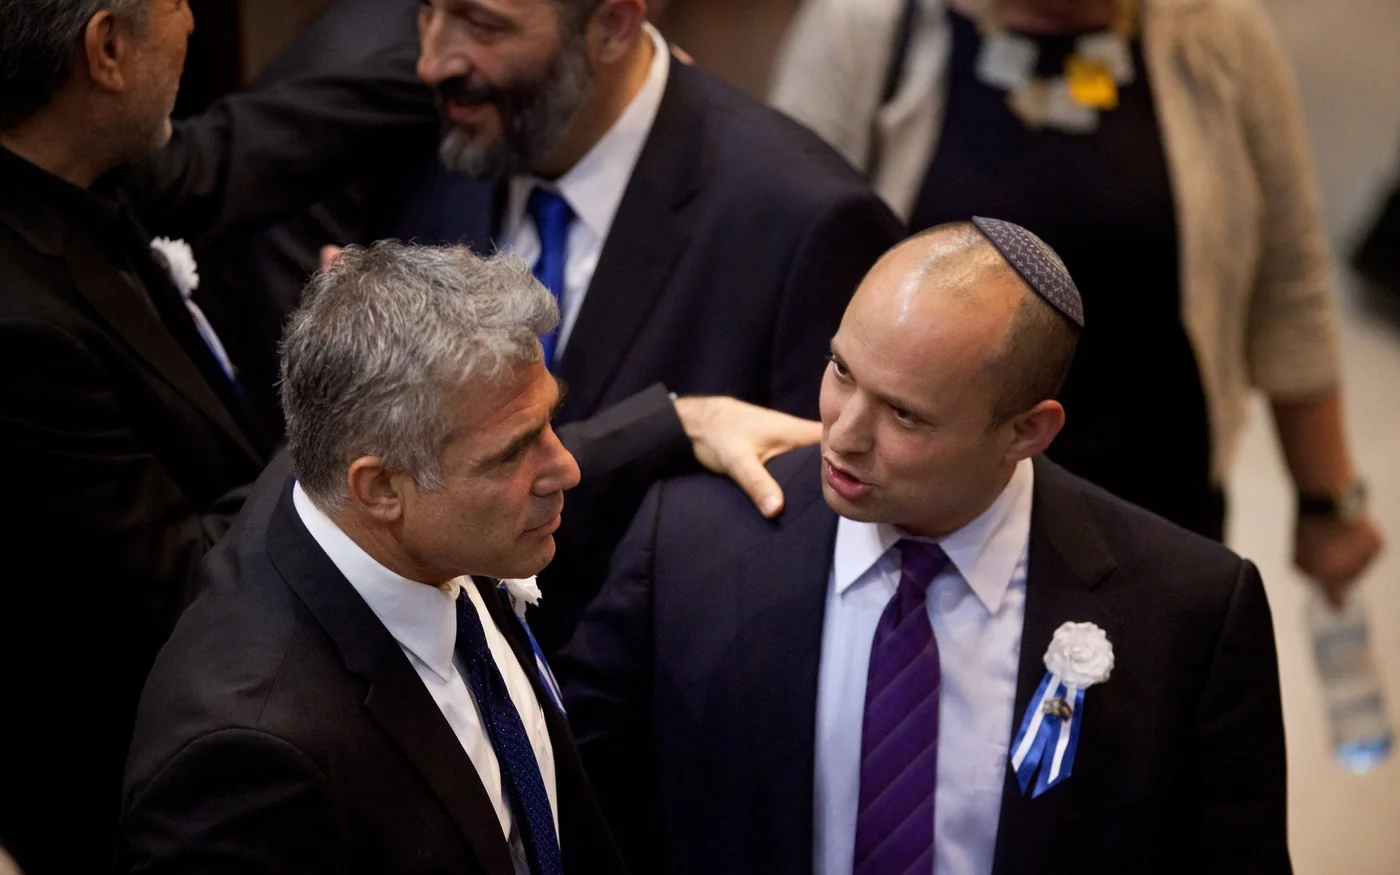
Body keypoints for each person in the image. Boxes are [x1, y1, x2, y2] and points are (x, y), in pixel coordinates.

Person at [0, 4, 824, 867]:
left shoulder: (456, 562)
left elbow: (249, 144)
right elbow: (176, 584)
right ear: (106, 48)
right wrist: (356, 388)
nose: (191, 14)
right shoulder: (247, 757)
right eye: (515, 448)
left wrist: (555, 65)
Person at [561, 221, 1291, 875]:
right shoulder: (687, 546)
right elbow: (573, 816)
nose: (844, 433)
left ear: (1027, 431)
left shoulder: (1185, 612)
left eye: (904, 415)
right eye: (842, 371)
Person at [769, 0, 1381, 599]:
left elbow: (1289, 281)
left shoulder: (1221, 33)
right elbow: (782, 261)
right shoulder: (867, 23)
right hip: (909, 501)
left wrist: (1326, 501)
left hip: (1153, 496)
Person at [121, 242, 628, 873]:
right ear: (381, 488)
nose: (566, 468)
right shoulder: (248, 767)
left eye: (551, 419)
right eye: (511, 454)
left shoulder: (361, 481)